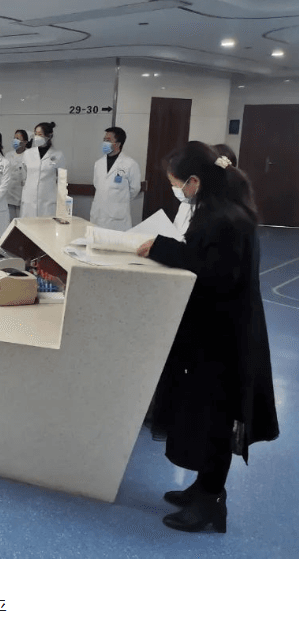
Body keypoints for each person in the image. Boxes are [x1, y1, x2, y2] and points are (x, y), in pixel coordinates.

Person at [136, 141, 279, 533]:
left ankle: (211, 499)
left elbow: (211, 272)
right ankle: (202, 487)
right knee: (202, 413)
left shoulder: (225, 220)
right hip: (214, 332)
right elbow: (203, 259)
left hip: (224, 339)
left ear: (195, 181)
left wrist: (162, 248)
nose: (177, 190)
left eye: (177, 184)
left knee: (216, 418)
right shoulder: (220, 211)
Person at [89, 126, 141, 231]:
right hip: (98, 215)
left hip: (117, 219)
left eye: (108, 140)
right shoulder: (98, 163)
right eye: (104, 140)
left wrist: (118, 201)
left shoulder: (130, 164)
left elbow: (134, 189)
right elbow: (97, 185)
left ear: (118, 144)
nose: (104, 143)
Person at [20, 121, 66, 217]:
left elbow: (62, 181)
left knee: (46, 225)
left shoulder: (58, 155)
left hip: (48, 201)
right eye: (35, 134)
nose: (37, 137)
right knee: (28, 224)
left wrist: (61, 203)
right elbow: (24, 176)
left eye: (40, 134)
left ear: (49, 135)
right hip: (29, 200)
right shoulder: (28, 154)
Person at [6, 129, 29, 221]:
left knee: (21, 223)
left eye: (18, 139)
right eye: (14, 138)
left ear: (25, 142)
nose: (15, 140)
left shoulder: (29, 155)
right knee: (9, 223)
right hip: (8, 195)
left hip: (22, 195)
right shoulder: (8, 155)